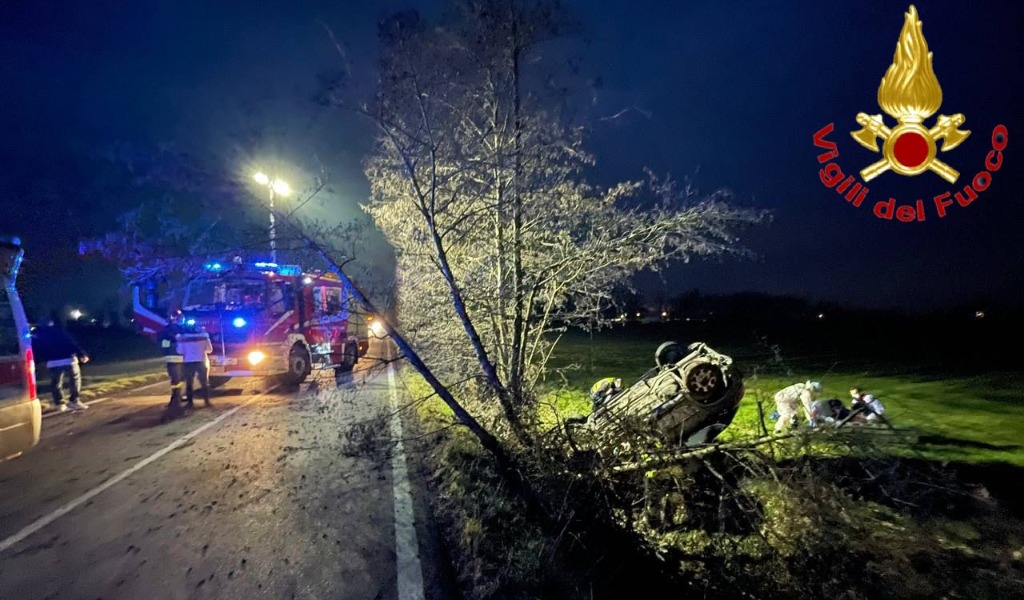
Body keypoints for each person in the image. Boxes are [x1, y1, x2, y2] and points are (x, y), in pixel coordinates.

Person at [32, 314, 90, 412]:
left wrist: (38, 361)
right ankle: (74, 400)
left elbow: (36, 349)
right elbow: (71, 343)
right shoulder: (60, 331)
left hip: (52, 362)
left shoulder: (38, 334)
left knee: (56, 383)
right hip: (68, 359)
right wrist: (82, 354)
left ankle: (59, 403)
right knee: (75, 380)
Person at [177, 323, 213, 408]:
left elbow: (180, 351)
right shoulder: (204, 337)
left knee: (189, 383)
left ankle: (190, 402)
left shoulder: (183, 338)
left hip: (188, 362)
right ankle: (207, 401)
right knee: (204, 382)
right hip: (201, 361)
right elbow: (209, 350)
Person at [157, 311, 185, 417]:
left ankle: (176, 397)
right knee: (179, 379)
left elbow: (161, 342)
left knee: (176, 380)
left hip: (171, 358)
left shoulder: (165, 329)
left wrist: (168, 347)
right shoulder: (180, 329)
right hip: (179, 358)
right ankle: (176, 398)